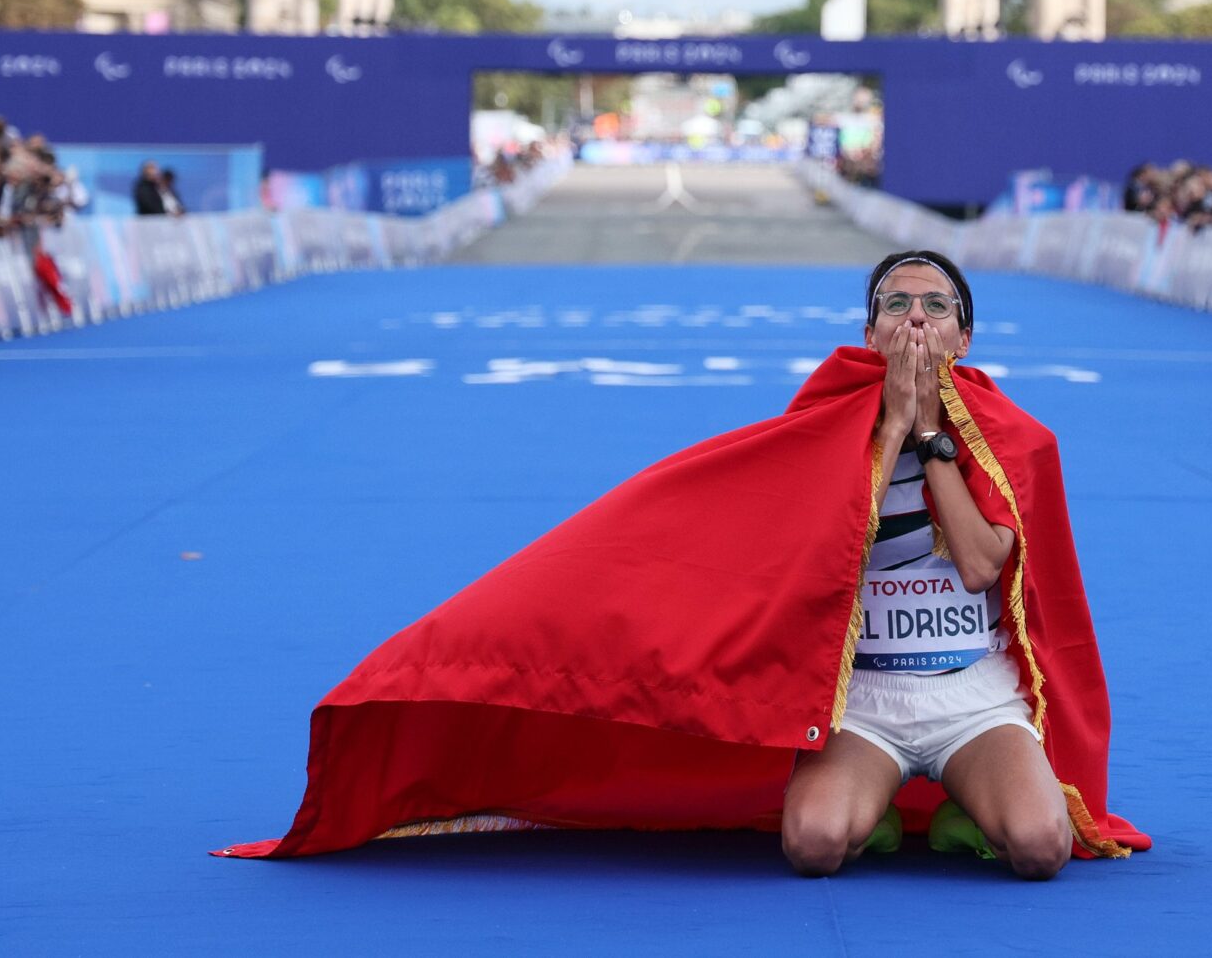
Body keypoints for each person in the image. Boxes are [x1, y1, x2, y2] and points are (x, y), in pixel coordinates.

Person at [219, 250, 1145, 872]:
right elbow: (800, 558)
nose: (913, 319)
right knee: (813, 848)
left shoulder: (1013, 438)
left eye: (933, 306)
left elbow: (985, 566)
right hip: (861, 702)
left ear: (964, 335)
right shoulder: (826, 429)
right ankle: (883, 804)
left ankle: (958, 808)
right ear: (867, 334)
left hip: (969, 694)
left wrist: (931, 434)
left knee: (1038, 851)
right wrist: (889, 426)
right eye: (893, 306)